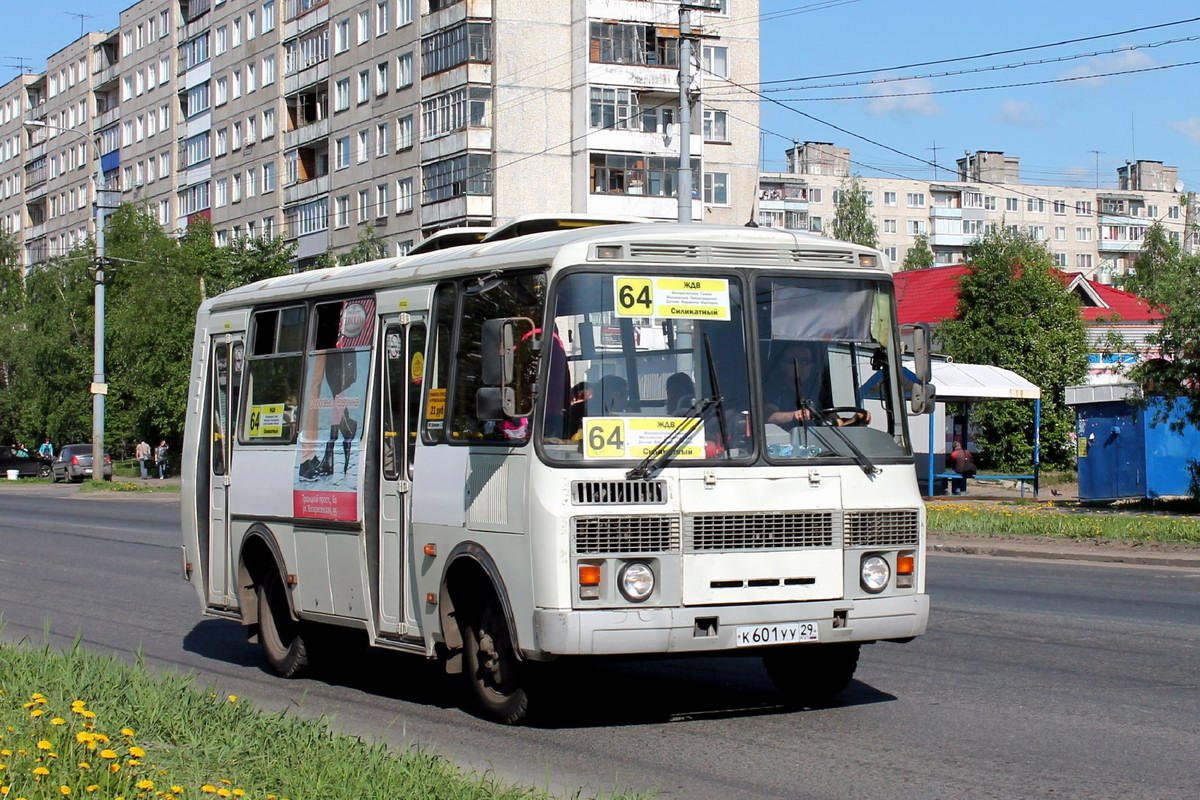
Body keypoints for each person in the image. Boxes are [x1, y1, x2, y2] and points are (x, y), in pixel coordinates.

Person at [763, 341, 869, 429]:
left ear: (811, 366)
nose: (799, 366)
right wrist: (795, 415)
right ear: (782, 365)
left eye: (805, 361)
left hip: (818, 447)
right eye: (793, 361)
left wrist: (854, 420)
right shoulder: (772, 389)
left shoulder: (816, 389)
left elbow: (836, 423)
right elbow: (769, 416)